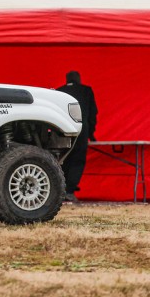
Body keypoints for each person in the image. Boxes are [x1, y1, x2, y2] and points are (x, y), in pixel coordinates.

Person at [57, 70, 99, 202]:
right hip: (80, 130)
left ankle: (59, 189)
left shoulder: (59, 91)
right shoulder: (86, 91)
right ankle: (69, 190)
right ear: (79, 79)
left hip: (62, 130)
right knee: (77, 159)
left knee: (62, 159)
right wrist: (91, 134)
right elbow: (92, 114)